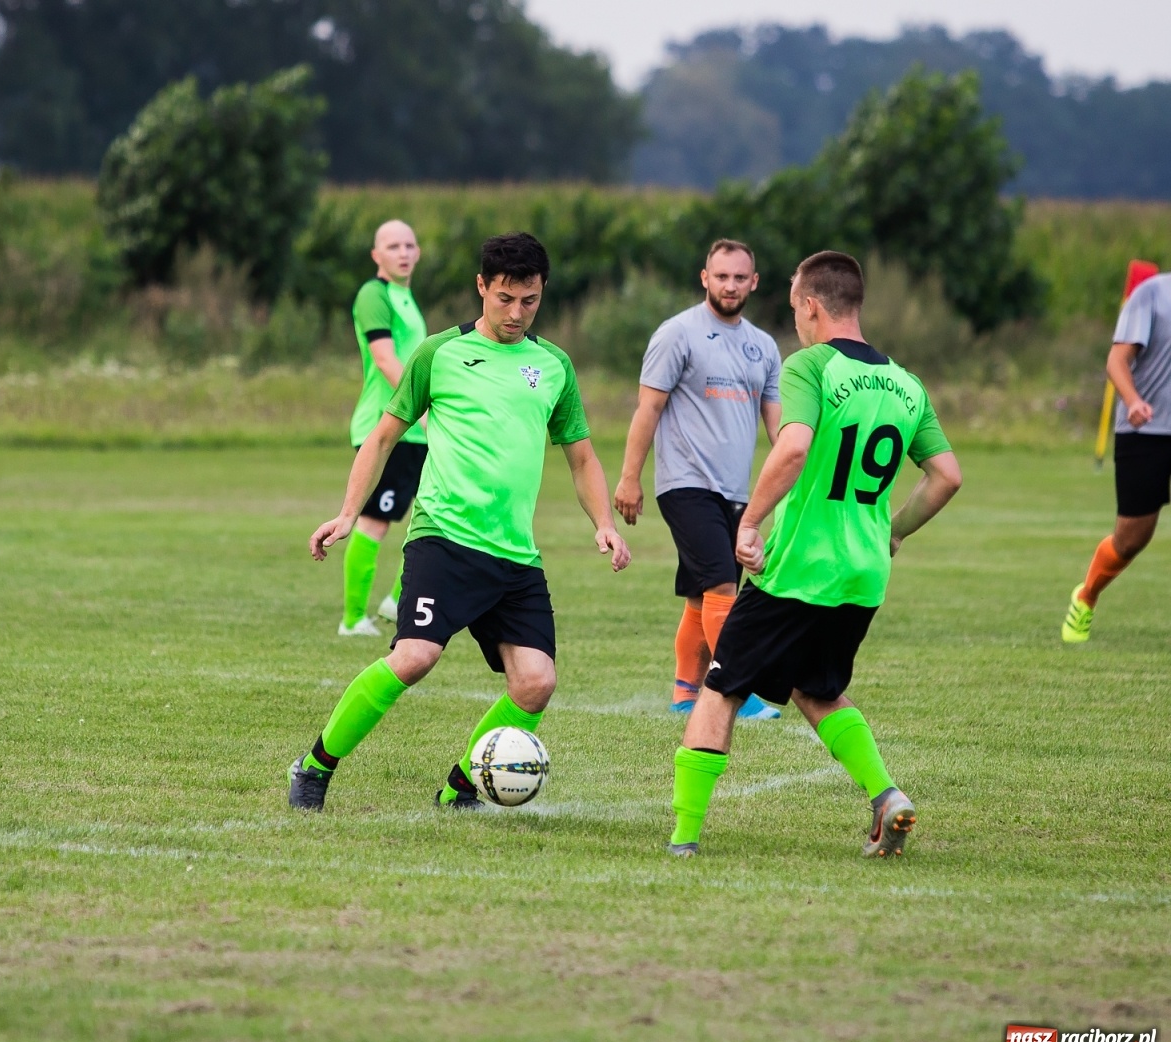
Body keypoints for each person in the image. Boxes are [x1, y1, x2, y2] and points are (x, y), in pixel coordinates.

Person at [289, 232, 630, 811]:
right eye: (505, 298)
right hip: (442, 540)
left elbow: (582, 455)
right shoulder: (439, 353)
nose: (517, 313)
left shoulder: (553, 367)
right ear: (481, 287)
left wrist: (603, 521)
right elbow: (383, 436)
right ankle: (315, 765)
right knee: (415, 657)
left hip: (515, 554)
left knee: (535, 684)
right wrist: (349, 512)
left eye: (530, 300)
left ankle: (461, 787)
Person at [664, 251, 961, 858]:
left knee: (719, 688)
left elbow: (793, 447)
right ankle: (886, 795)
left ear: (811, 307)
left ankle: (683, 838)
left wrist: (749, 522)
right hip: (863, 574)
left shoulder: (810, 366)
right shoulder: (907, 383)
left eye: (796, 308)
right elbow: (946, 475)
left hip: (800, 567)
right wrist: (894, 530)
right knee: (817, 689)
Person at [613, 238, 782, 720]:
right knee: (724, 587)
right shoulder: (677, 333)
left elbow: (778, 427)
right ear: (704, 278)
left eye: (739, 277)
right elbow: (648, 408)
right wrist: (630, 478)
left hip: (736, 492)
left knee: (700, 595)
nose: (730, 285)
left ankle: (686, 693)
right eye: (721, 276)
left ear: (754, 282)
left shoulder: (764, 346)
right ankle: (735, 687)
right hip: (685, 484)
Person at [1061, 269, 1171, 642]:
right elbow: (1116, 361)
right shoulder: (1152, 295)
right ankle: (1087, 595)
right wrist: (1134, 400)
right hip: (1145, 431)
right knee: (1131, 539)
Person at [339, 220, 428, 636]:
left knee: (430, 514)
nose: (403, 252)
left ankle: (397, 601)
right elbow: (386, 360)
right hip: (386, 428)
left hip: (412, 429)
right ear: (376, 255)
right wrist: (421, 409)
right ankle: (353, 619)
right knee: (374, 520)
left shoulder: (405, 297)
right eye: (393, 246)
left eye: (409, 245)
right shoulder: (373, 295)